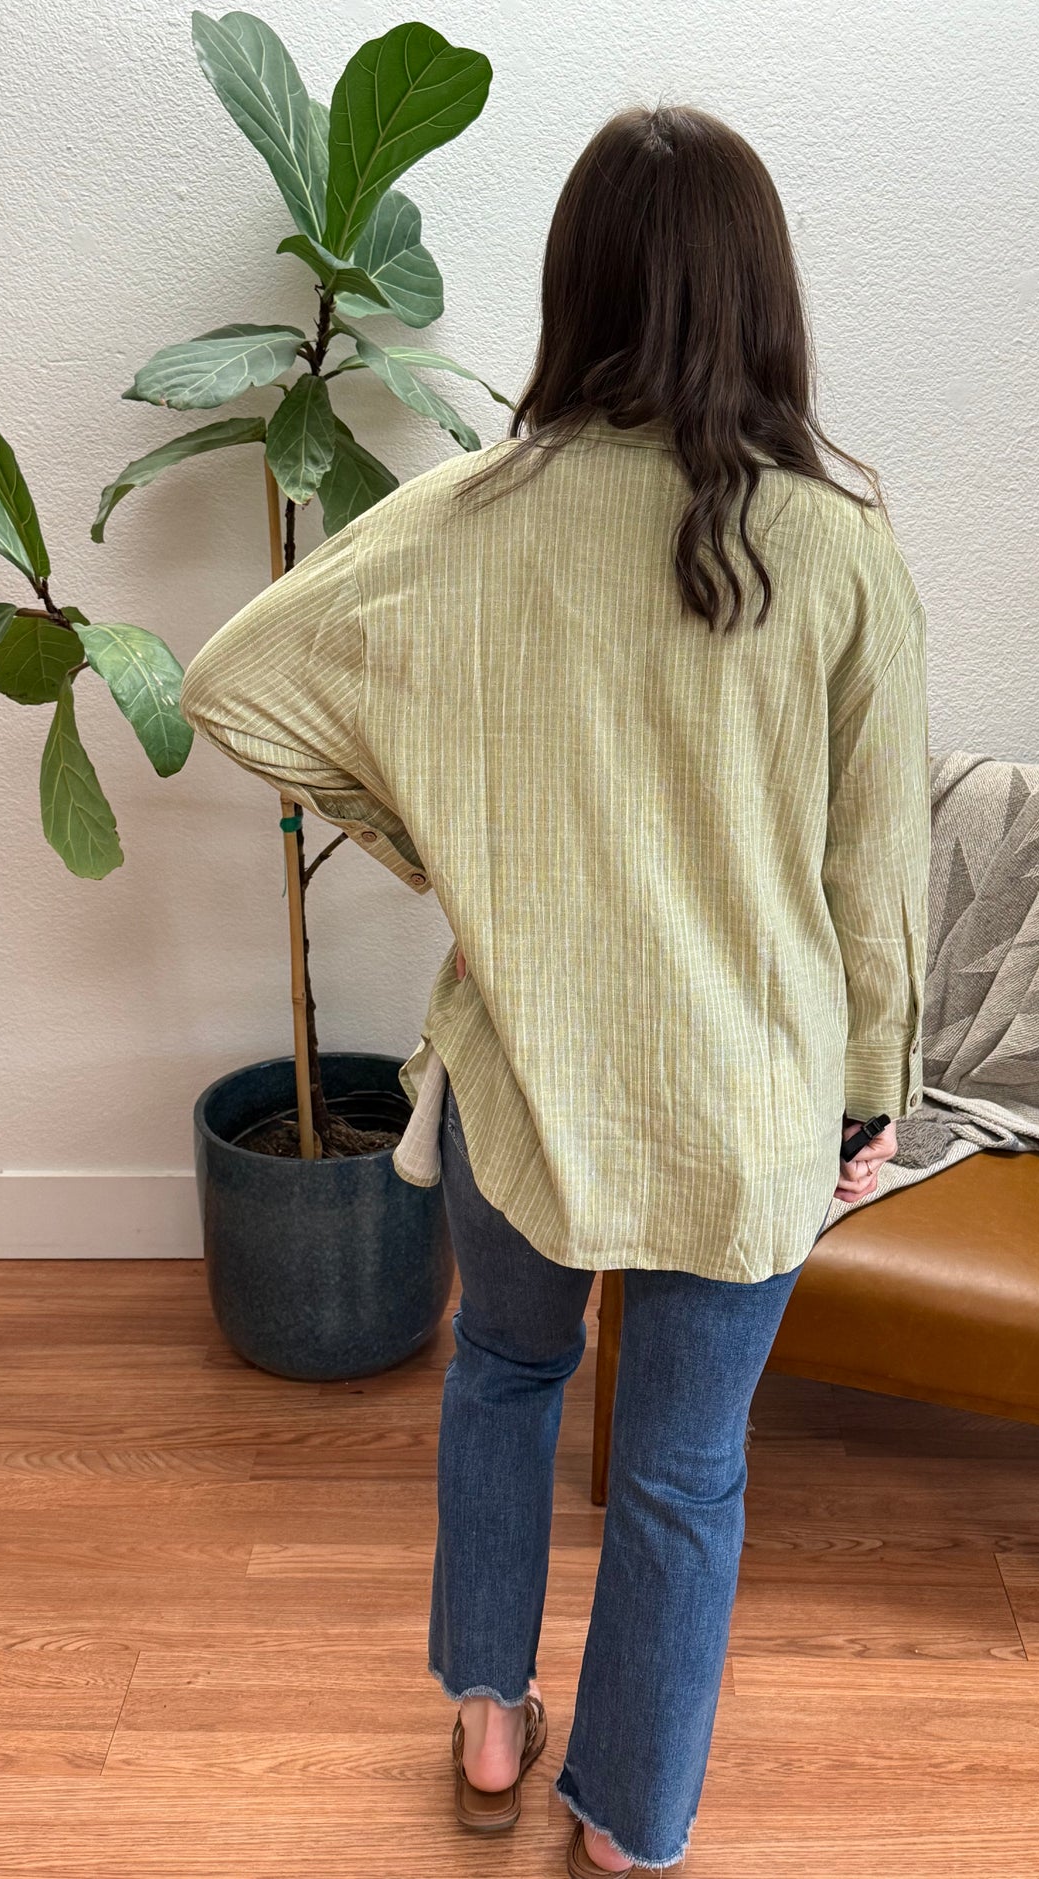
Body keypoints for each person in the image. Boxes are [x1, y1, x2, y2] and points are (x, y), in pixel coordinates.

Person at [180, 103, 928, 1876]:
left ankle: (490, 1716)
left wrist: (439, 850)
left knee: (505, 1378)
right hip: (747, 1100)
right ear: (762, 296)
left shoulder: (461, 520)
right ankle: (630, 1824)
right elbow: (871, 876)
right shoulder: (835, 547)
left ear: (571, 284)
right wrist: (872, 1092)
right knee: (682, 1476)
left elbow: (230, 683)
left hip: (522, 1073)